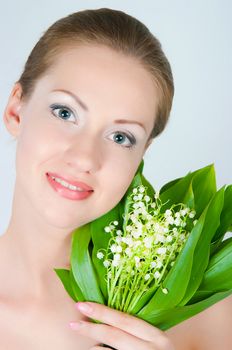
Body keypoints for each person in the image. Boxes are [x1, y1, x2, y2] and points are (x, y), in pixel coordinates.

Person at [0, 7, 231, 350]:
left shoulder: (204, 312)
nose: (84, 158)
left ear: (142, 152)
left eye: (121, 137)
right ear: (16, 109)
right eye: (65, 113)